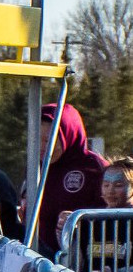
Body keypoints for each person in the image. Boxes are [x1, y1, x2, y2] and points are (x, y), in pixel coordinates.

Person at [33, 102, 108, 256]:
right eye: (37, 139)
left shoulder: (93, 167)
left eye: (49, 141)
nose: (42, 147)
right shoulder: (36, 166)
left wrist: (78, 219)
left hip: (83, 262)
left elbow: (113, 212)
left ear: (68, 134)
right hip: (41, 256)